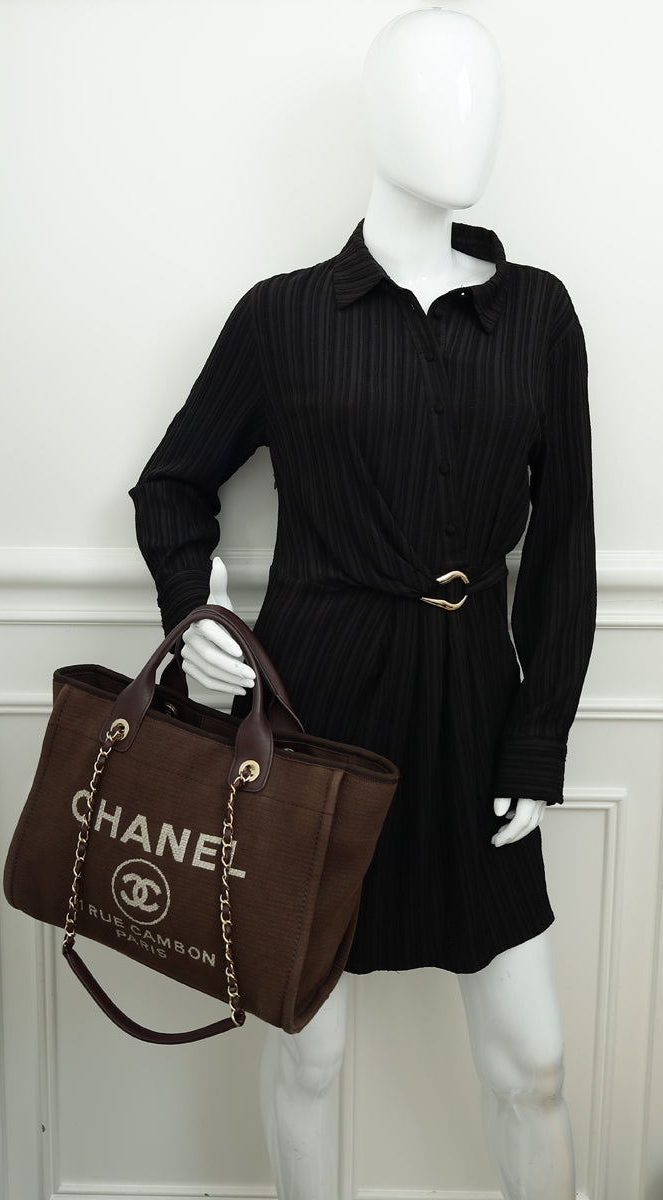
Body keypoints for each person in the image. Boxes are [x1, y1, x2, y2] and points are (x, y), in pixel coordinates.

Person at [129, 10, 596, 1198]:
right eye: (435, 94)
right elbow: (172, 486)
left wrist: (536, 740)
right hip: (312, 708)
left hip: (475, 711)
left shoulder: (536, 315)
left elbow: (563, 545)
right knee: (309, 1052)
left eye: (483, 97)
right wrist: (194, 619)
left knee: (533, 1062)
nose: (466, 124)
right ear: (377, 119)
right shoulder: (284, 317)